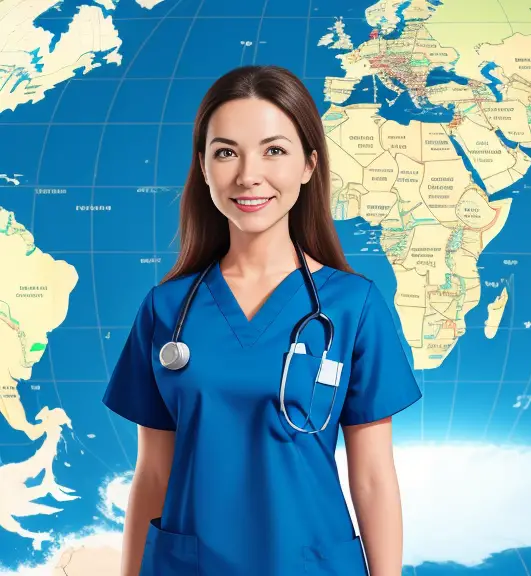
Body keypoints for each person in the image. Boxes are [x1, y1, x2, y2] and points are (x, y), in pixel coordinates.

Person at [102, 65, 423, 576]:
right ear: (203, 168)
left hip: (313, 564)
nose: (248, 174)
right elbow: (153, 472)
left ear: (309, 165)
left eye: (274, 150)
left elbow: (373, 478)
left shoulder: (352, 307)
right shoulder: (165, 311)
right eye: (226, 152)